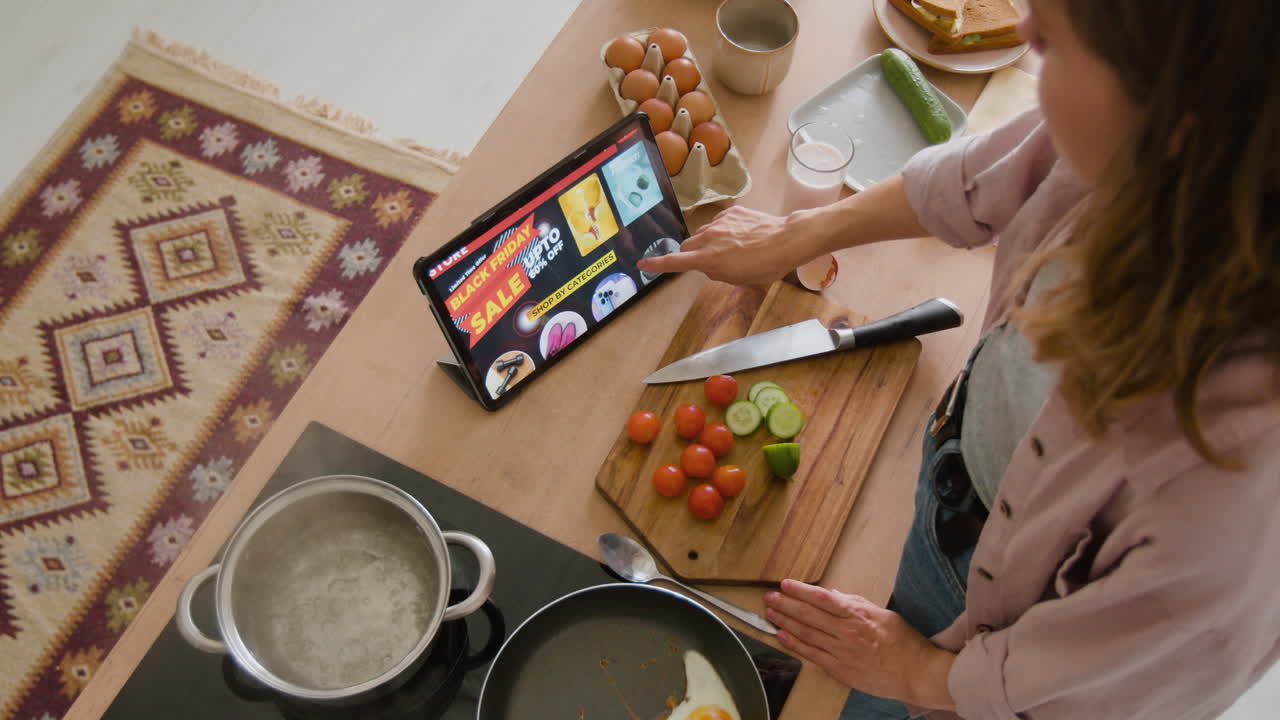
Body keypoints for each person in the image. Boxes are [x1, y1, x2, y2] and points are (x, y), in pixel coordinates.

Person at [635, 0, 1280, 717]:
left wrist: (913, 674)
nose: (1028, 35)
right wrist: (803, 231)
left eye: (1064, 45)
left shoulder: (1229, 489)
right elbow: (981, 175)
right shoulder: (1163, 152)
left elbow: (1089, 686)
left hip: (1015, 654)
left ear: (1175, 127)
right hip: (959, 496)